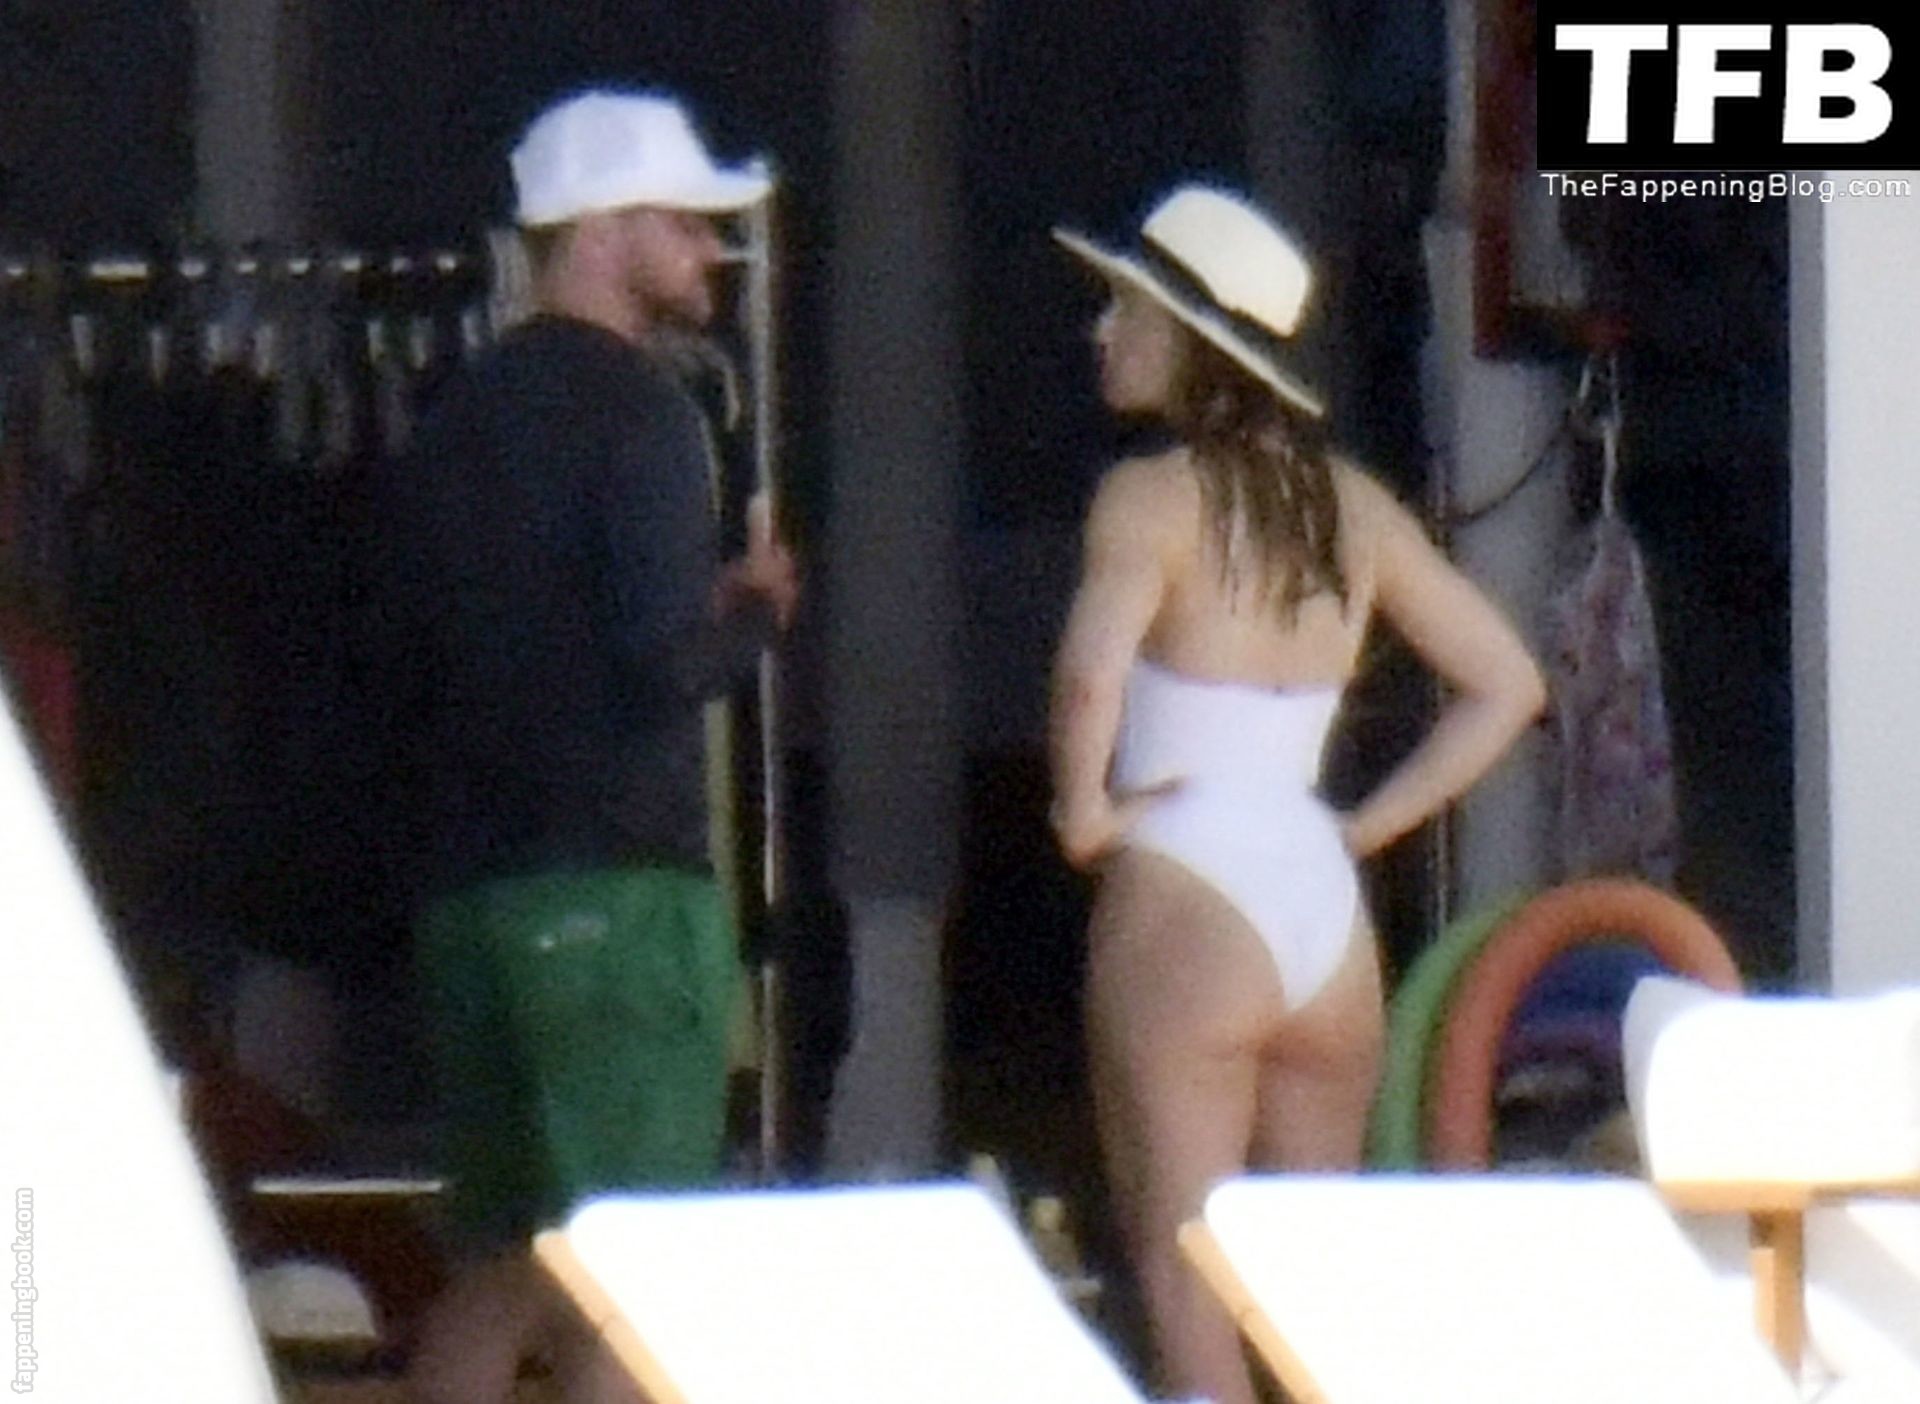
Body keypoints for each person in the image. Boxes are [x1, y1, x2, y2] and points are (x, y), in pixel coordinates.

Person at [1047, 185, 1545, 1404]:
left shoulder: (1148, 498)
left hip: (1186, 890)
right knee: (1316, 1291)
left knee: (1189, 1282)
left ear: (1190, 342)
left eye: (1126, 309)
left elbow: (1090, 676)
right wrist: (1366, 827)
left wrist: (1080, 810)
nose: (1101, 330)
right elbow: (1509, 683)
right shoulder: (1356, 509)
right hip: (1320, 903)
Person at [376, 89, 798, 1404]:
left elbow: (436, 651)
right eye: (685, 223)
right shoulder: (647, 415)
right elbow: (659, 667)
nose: (714, 250)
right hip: (616, 894)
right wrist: (756, 616)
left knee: (500, 1267)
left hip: (470, 896)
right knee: (633, 1276)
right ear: (604, 232)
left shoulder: (453, 416)